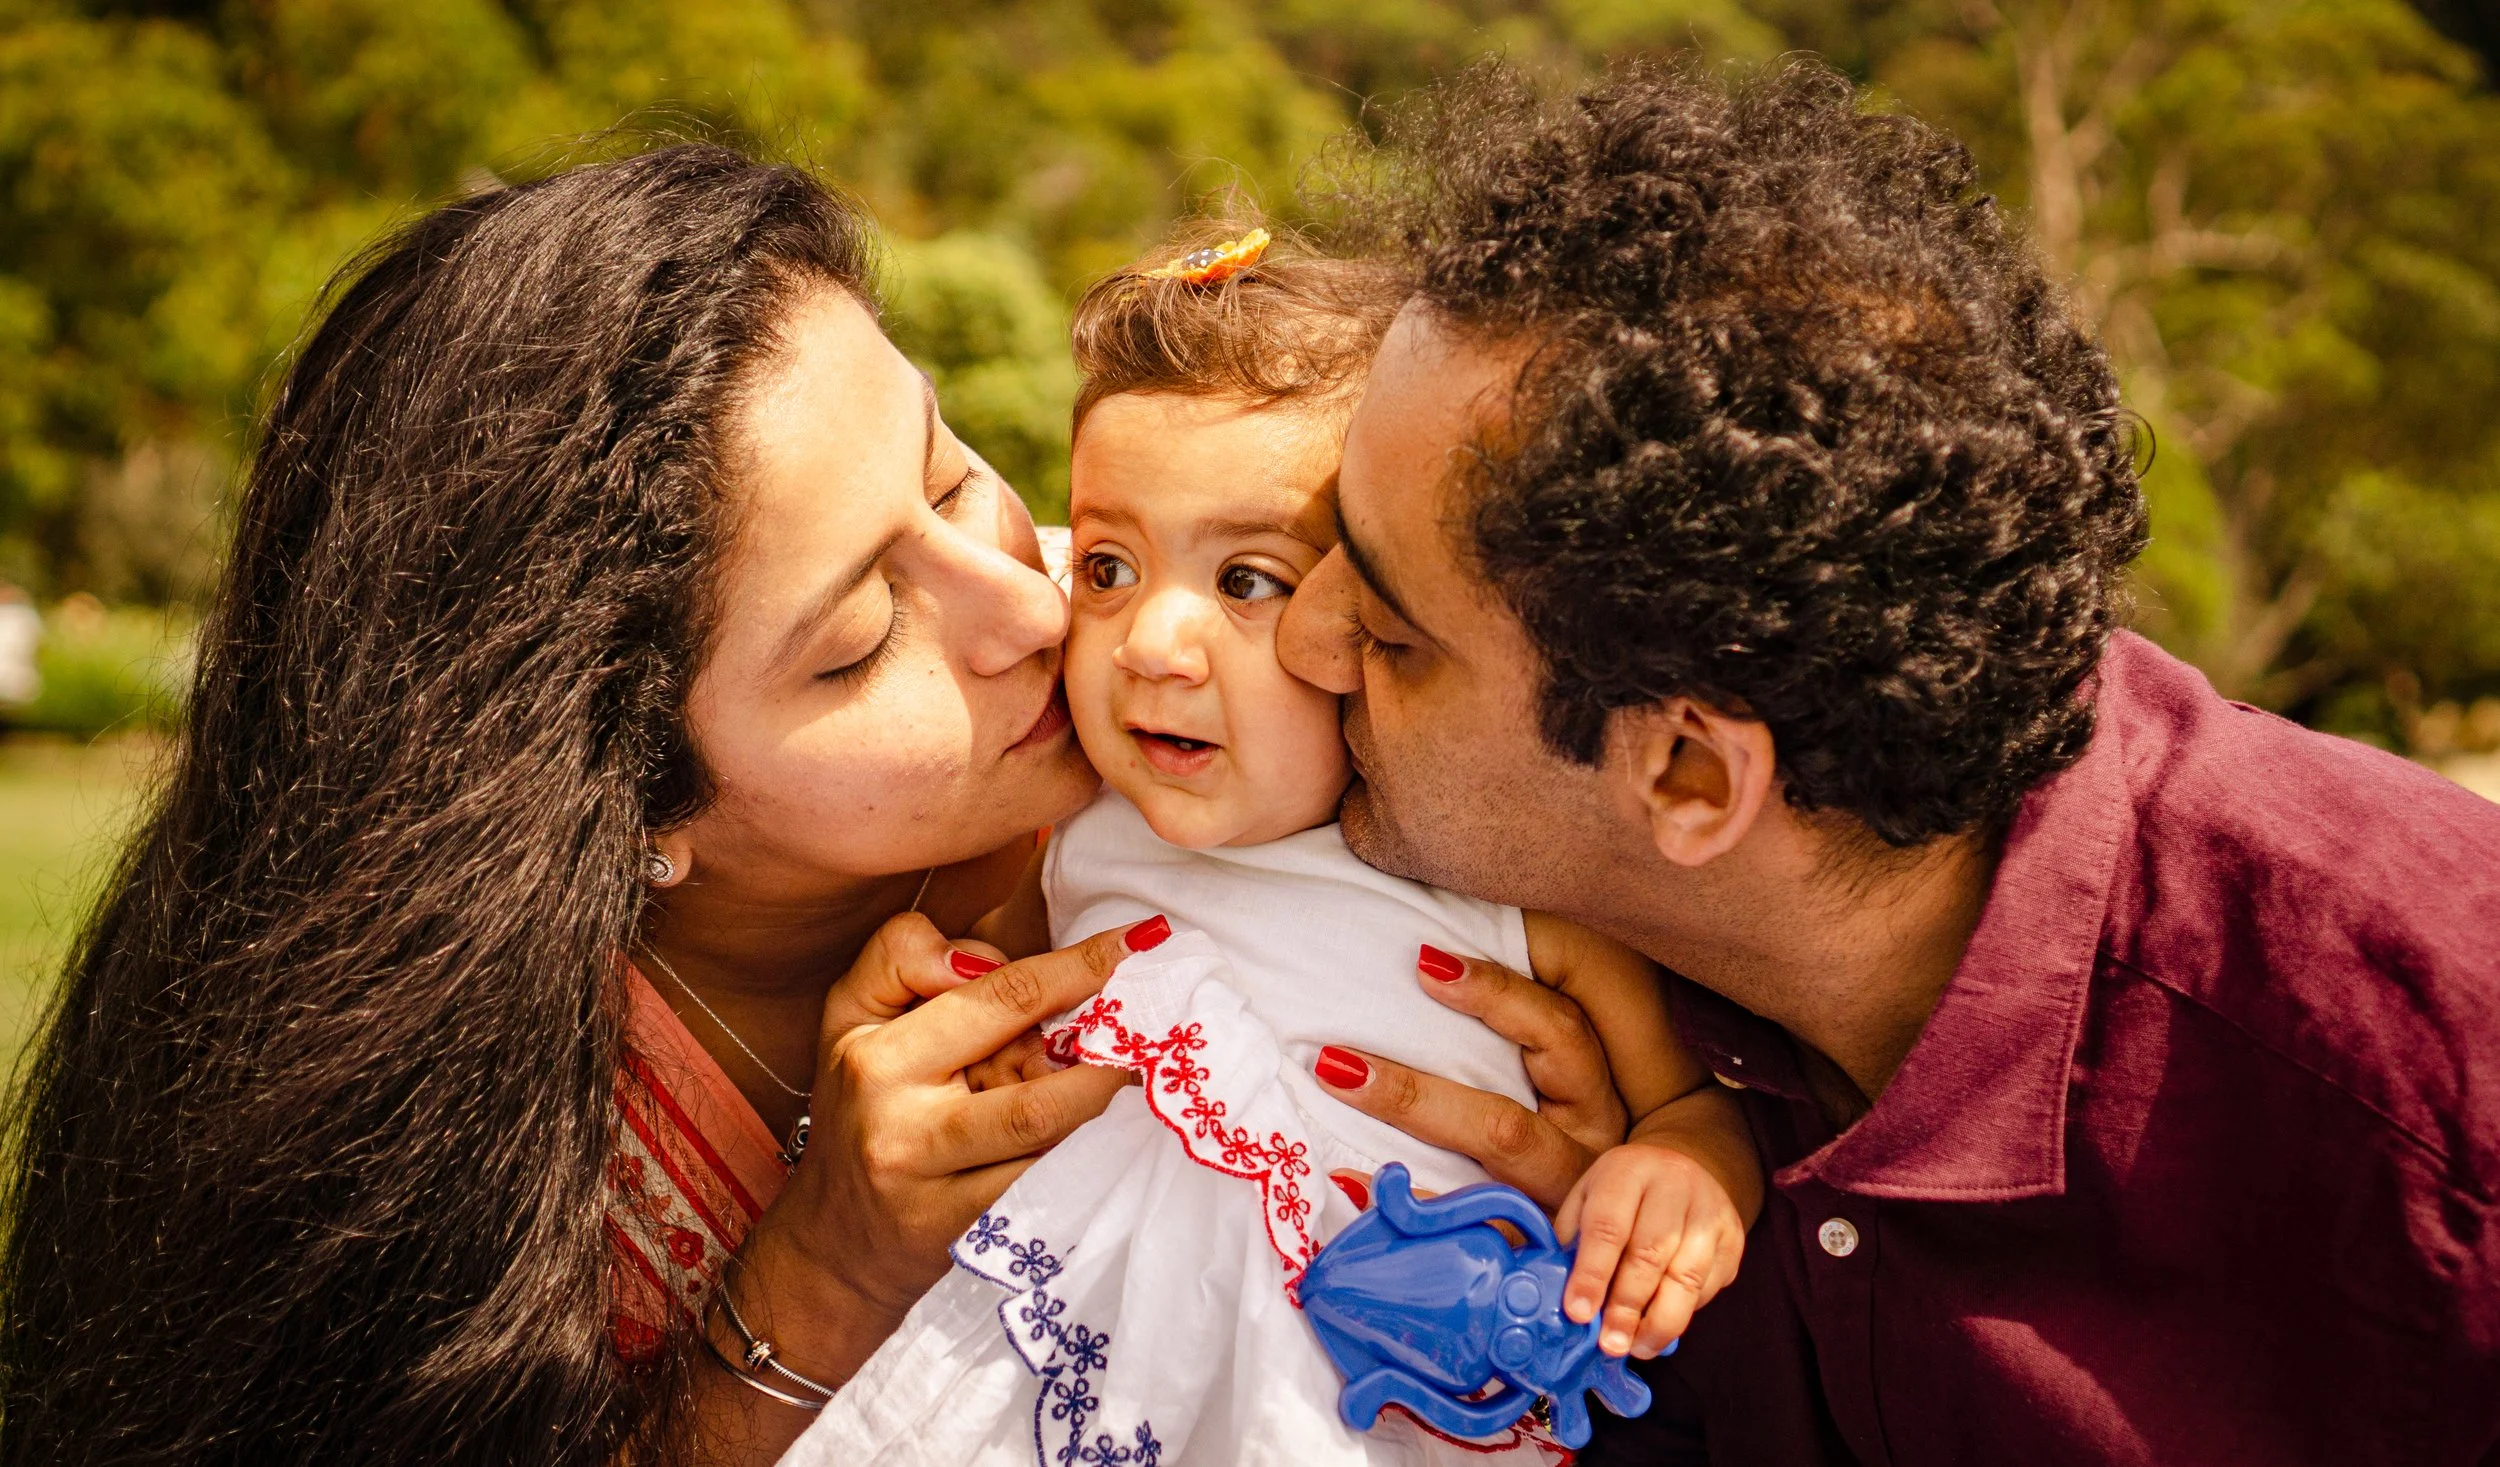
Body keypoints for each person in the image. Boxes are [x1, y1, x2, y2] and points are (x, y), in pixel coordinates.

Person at [1277, 60, 2500, 1467]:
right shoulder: (1566, 957)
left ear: (1687, 775)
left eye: (1387, 626)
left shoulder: (2437, 1102)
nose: (1300, 641)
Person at [0, 145, 1161, 1467]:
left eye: (951, 473)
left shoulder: (1203, 670)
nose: (1030, 602)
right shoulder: (393, 1149)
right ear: (614, 811)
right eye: (862, 630)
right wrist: (821, 1277)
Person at [791, 226, 1759, 1467]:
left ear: (1379, 613)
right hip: (1080, 1386)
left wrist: (1681, 1178)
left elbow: (1687, 1102)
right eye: (1106, 565)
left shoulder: (1501, 886)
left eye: (1248, 581)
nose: (1151, 641)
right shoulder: (1076, 830)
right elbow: (979, 1026)